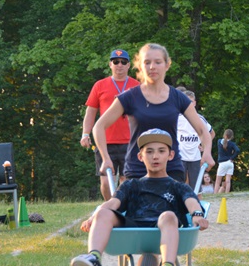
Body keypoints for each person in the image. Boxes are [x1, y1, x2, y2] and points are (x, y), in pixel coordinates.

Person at [71, 129, 209, 266]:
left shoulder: (177, 186)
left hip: (164, 226)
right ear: (140, 156)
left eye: (161, 151)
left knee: (168, 215)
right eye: (149, 152)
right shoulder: (132, 185)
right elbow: (113, 203)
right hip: (134, 227)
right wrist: (94, 217)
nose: (155, 156)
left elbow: (192, 201)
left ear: (170, 155)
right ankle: (94, 258)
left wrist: (197, 215)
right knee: (103, 212)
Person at [92, 43, 215, 183]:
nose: (152, 67)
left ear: (167, 65)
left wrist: (207, 152)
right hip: (138, 171)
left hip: (171, 171)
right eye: (147, 62)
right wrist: (105, 158)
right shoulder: (129, 97)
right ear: (140, 66)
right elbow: (99, 126)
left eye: (158, 62)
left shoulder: (178, 97)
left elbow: (202, 130)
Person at [81, 48, 141, 200]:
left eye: (123, 62)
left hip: (130, 141)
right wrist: (85, 133)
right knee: (106, 182)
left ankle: (122, 206)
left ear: (129, 65)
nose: (119, 65)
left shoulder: (137, 86)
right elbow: (91, 112)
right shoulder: (100, 85)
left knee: (127, 182)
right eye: (116, 62)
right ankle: (110, 206)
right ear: (110, 65)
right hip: (105, 141)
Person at [175, 87, 215, 189]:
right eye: (186, 102)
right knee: (179, 185)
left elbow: (211, 134)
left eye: (191, 102)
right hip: (181, 156)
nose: (189, 104)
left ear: (195, 103)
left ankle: (196, 199)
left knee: (196, 187)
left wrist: (204, 147)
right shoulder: (177, 118)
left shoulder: (200, 118)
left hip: (195, 157)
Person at [214, 129, 240, 193]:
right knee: (228, 180)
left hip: (222, 163)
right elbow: (237, 150)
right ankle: (227, 192)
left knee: (218, 181)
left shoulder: (219, 141)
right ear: (232, 136)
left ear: (224, 135)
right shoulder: (232, 144)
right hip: (229, 162)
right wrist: (232, 157)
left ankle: (215, 193)